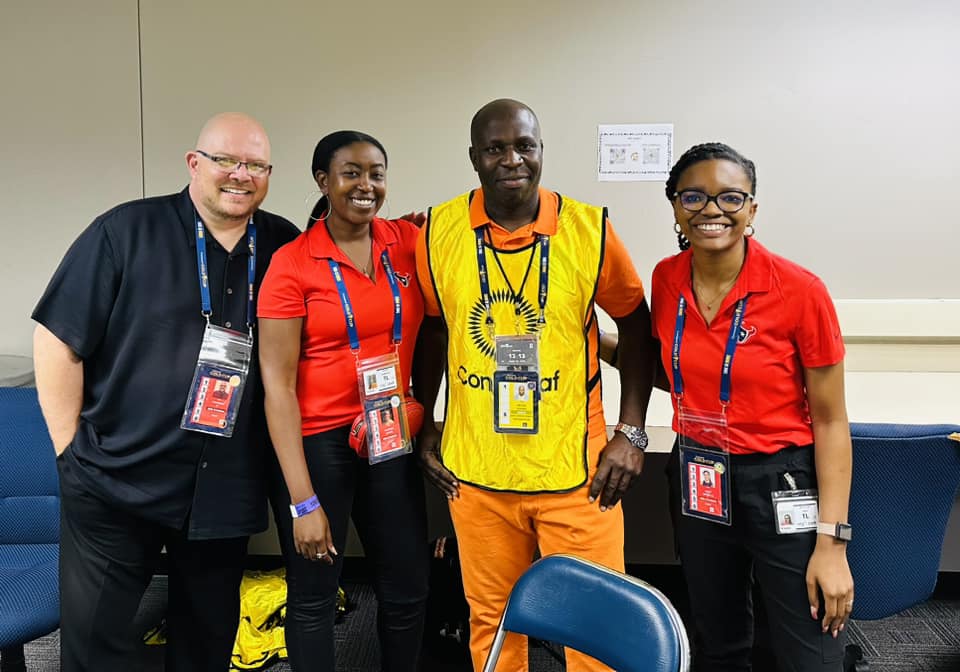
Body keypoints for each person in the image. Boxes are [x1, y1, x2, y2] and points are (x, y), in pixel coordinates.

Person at [31, 113, 300, 672]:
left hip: (226, 485)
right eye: (226, 160)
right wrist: (68, 452)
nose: (241, 174)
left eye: (256, 165)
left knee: (207, 642)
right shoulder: (124, 231)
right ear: (194, 163)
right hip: (117, 477)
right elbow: (57, 341)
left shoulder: (283, 244)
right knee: (94, 644)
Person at [414, 99, 656, 671]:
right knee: (492, 624)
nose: (512, 160)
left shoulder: (588, 229)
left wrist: (631, 432)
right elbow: (433, 329)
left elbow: (636, 324)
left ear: (541, 150)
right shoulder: (438, 230)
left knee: (595, 627)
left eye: (524, 146)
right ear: (474, 157)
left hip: (578, 474)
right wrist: (425, 422)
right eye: (495, 148)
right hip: (477, 475)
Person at [651, 142, 854, 670]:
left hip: (780, 480)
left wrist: (833, 544)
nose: (711, 210)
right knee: (717, 642)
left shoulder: (800, 291)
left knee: (809, 649)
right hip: (698, 471)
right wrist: (586, 344)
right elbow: (675, 371)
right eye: (693, 196)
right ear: (675, 206)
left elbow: (831, 420)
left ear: (752, 209)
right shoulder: (667, 279)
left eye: (730, 197)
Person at [258, 130, 429, 672]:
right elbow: (277, 387)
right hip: (317, 442)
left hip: (388, 431)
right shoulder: (292, 263)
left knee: (407, 584)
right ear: (323, 181)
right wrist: (303, 502)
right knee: (313, 591)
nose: (366, 185)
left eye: (376, 173)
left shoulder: (407, 242)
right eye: (351, 173)